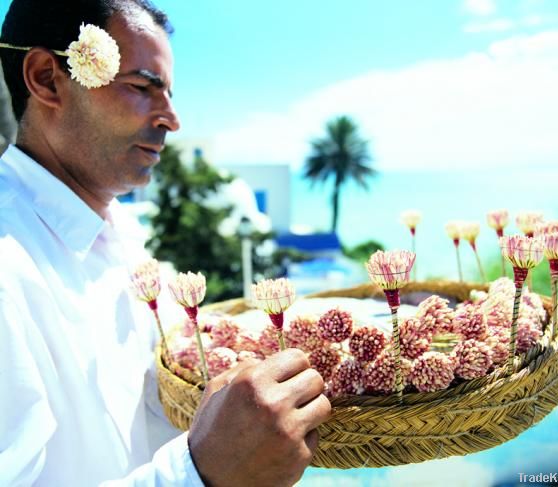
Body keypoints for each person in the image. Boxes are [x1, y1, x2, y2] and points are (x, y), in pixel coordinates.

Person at [0, 1, 331, 485]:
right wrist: (202, 472)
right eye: (141, 87)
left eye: (169, 94)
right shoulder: (10, 266)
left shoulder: (128, 240)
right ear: (47, 79)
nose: (172, 119)